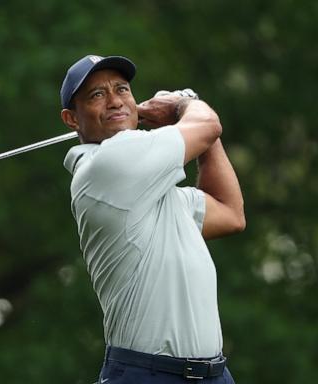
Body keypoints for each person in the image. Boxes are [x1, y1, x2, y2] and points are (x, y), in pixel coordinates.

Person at [60, 55, 245, 383]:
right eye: (97, 95)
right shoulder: (107, 166)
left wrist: (194, 127)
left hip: (213, 373)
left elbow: (230, 213)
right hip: (147, 374)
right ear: (72, 119)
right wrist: (184, 103)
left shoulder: (156, 193)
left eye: (122, 90)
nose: (115, 100)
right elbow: (208, 125)